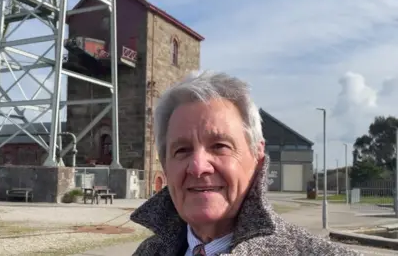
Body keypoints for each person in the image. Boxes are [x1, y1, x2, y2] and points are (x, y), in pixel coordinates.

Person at [130, 71, 360, 255]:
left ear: (257, 158)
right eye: (182, 150)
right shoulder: (147, 252)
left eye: (219, 146)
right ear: (165, 167)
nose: (198, 167)